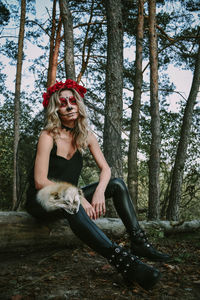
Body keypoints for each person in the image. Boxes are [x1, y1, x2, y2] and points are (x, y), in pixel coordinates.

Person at [26, 79, 170, 291]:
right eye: (62, 102)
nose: (68, 105)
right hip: (42, 200)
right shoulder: (48, 136)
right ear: (56, 109)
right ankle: (124, 263)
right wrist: (78, 196)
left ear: (79, 105)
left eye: (73, 101)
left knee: (117, 185)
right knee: (72, 199)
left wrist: (100, 191)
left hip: (70, 198)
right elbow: (40, 181)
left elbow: (107, 169)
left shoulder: (86, 135)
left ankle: (139, 242)